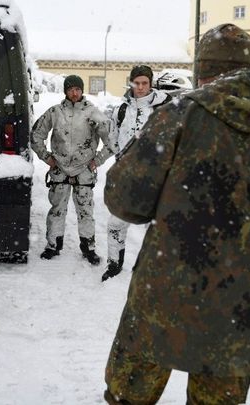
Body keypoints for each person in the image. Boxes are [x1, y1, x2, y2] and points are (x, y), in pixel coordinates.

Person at [102, 24, 250, 404]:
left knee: (128, 398)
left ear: (203, 70)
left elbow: (124, 200)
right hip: (241, 306)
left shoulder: (176, 116)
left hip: (164, 296)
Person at [31, 75, 112, 265]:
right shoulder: (55, 112)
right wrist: (47, 157)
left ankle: (88, 248)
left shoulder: (93, 113)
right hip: (59, 169)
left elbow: (111, 140)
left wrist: (97, 160)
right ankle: (53, 245)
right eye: (70, 89)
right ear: (65, 91)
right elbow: (36, 135)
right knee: (57, 209)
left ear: (82, 90)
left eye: (77, 89)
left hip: (84, 170)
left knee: (85, 211)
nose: (74, 93)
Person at [102, 65, 172, 282]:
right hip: (127, 178)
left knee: (159, 228)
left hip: (155, 179)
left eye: (145, 83)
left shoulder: (165, 108)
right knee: (115, 224)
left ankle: (160, 271)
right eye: (137, 83)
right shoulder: (121, 110)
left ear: (151, 84)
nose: (141, 87)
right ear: (131, 83)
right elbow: (112, 141)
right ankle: (114, 264)